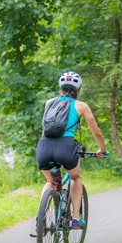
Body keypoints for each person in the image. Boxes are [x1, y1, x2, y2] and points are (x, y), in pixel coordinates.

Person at [36, 71, 107, 229]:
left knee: (50, 181)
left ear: (61, 87)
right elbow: (97, 133)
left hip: (44, 147)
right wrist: (102, 149)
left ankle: (40, 218)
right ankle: (75, 219)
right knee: (75, 177)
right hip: (66, 148)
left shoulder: (49, 102)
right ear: (78, 88)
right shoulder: (81, 106)